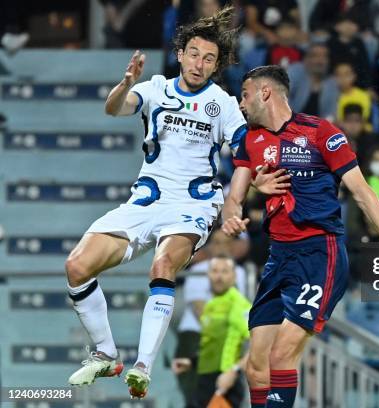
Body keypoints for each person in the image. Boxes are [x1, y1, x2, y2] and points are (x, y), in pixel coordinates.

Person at [65, 7, 248, 398]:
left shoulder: (224, 103)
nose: (200, 64)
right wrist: (125, 82)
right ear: (180, 53)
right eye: (194, 54)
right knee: (77, 266)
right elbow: (114, 108)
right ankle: (105, 353)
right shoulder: (153, 89)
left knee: (163, 264)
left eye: (209, 59)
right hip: (145, 202)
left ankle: (143, 366)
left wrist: (237, 199)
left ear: (216, 67)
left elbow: (245, 152)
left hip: (193, 205)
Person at [222, 65, 379, 408]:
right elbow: (233, 199)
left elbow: (363, 192)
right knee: (255, 368)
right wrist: (239, 206)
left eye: (245, 94)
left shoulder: (321, 132)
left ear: (266, 93)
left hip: (319, 253)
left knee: (281, 355)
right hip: (279, 257)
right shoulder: (250, 139)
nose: (240, 102)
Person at [172, 256, 251, 408]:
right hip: (204, 382)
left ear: (234, 276)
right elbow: (213, 344)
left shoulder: (240, 305)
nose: (219, 277)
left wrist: (233, 372)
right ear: (208, 275)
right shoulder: (210, 305)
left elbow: (258, 347)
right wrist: (192, 362)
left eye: (224, 271)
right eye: (215, 271)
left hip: (225, 384)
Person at [286, 43, 337, 119]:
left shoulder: (331, 84)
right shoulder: (295, 72)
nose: (320, 60)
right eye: (315, 56)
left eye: (324, 56)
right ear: (306, 59)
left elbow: (330, 114)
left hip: (317, 128)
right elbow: (283, 97)